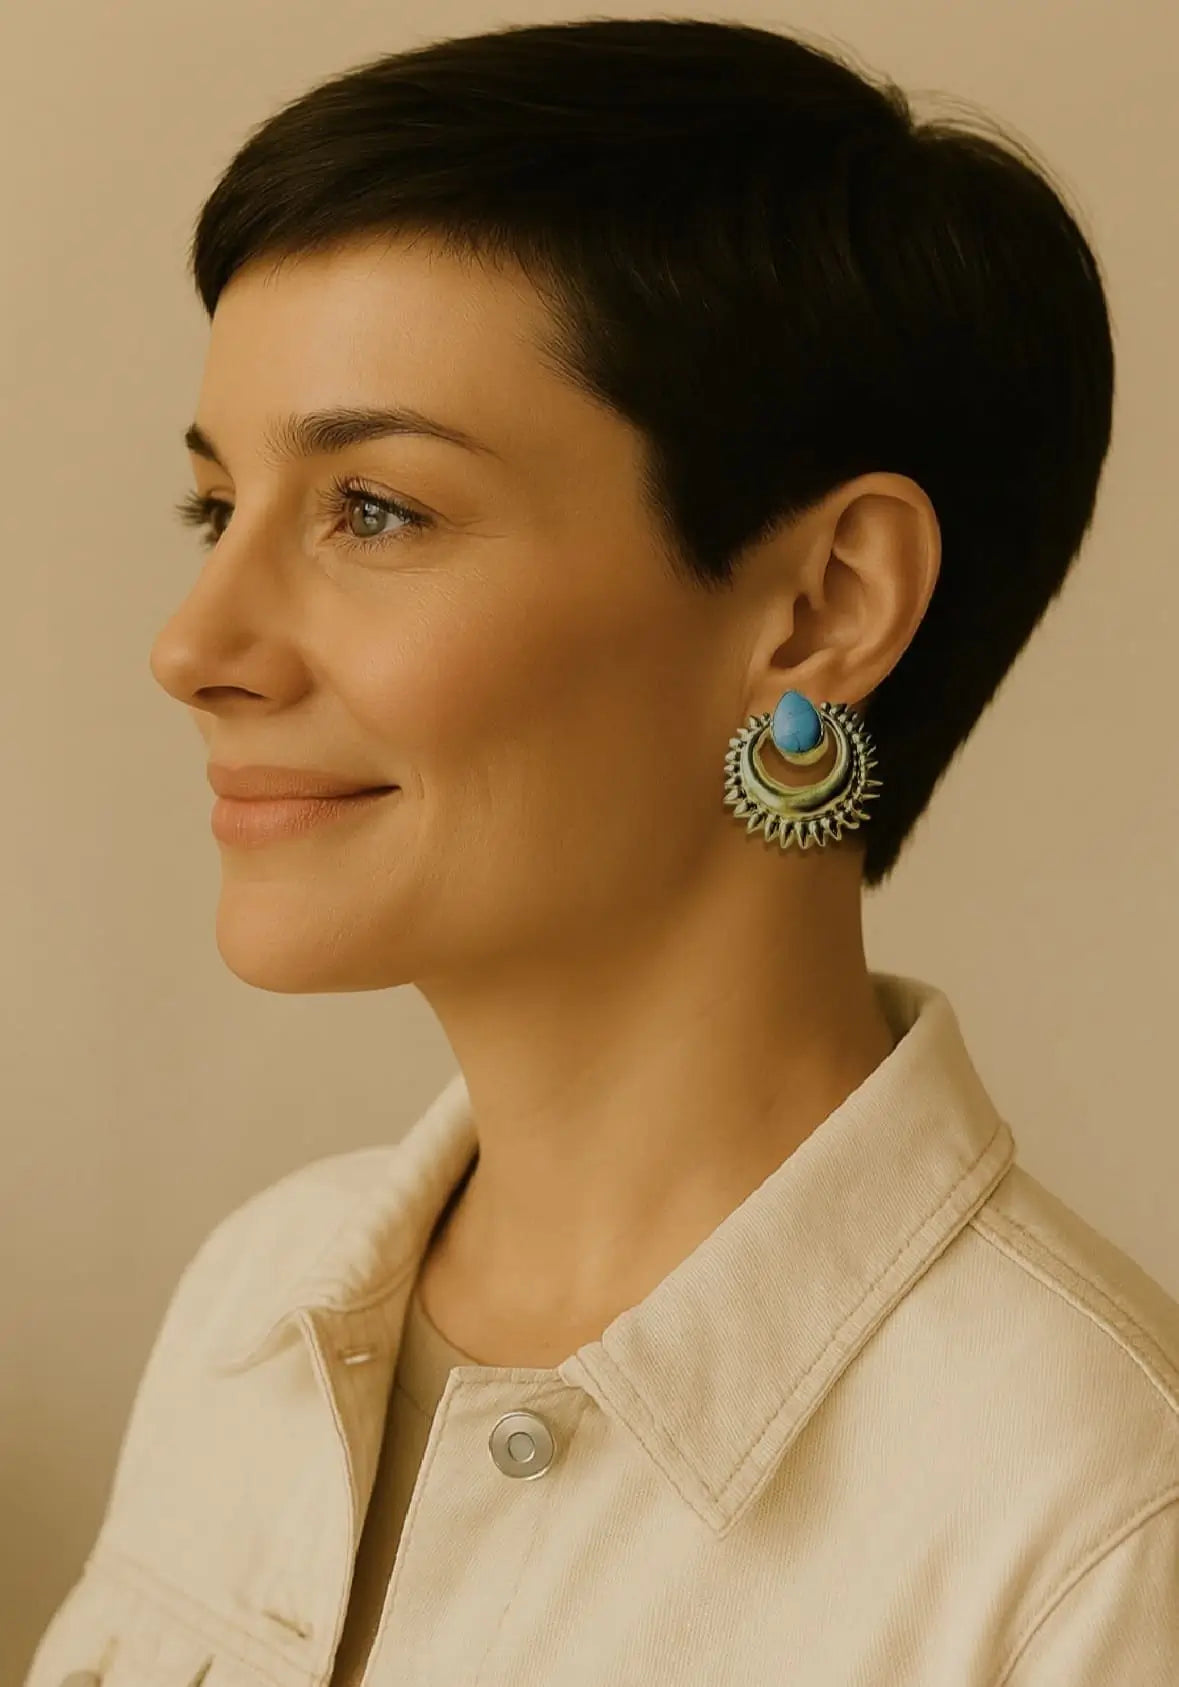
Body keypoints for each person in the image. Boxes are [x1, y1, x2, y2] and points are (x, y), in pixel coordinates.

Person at [23, 16, 1179, 1687]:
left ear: (825, 603)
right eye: (219, 510)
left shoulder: (1083, 1537)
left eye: (376, 510)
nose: (197, 642)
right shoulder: (259, 1306)